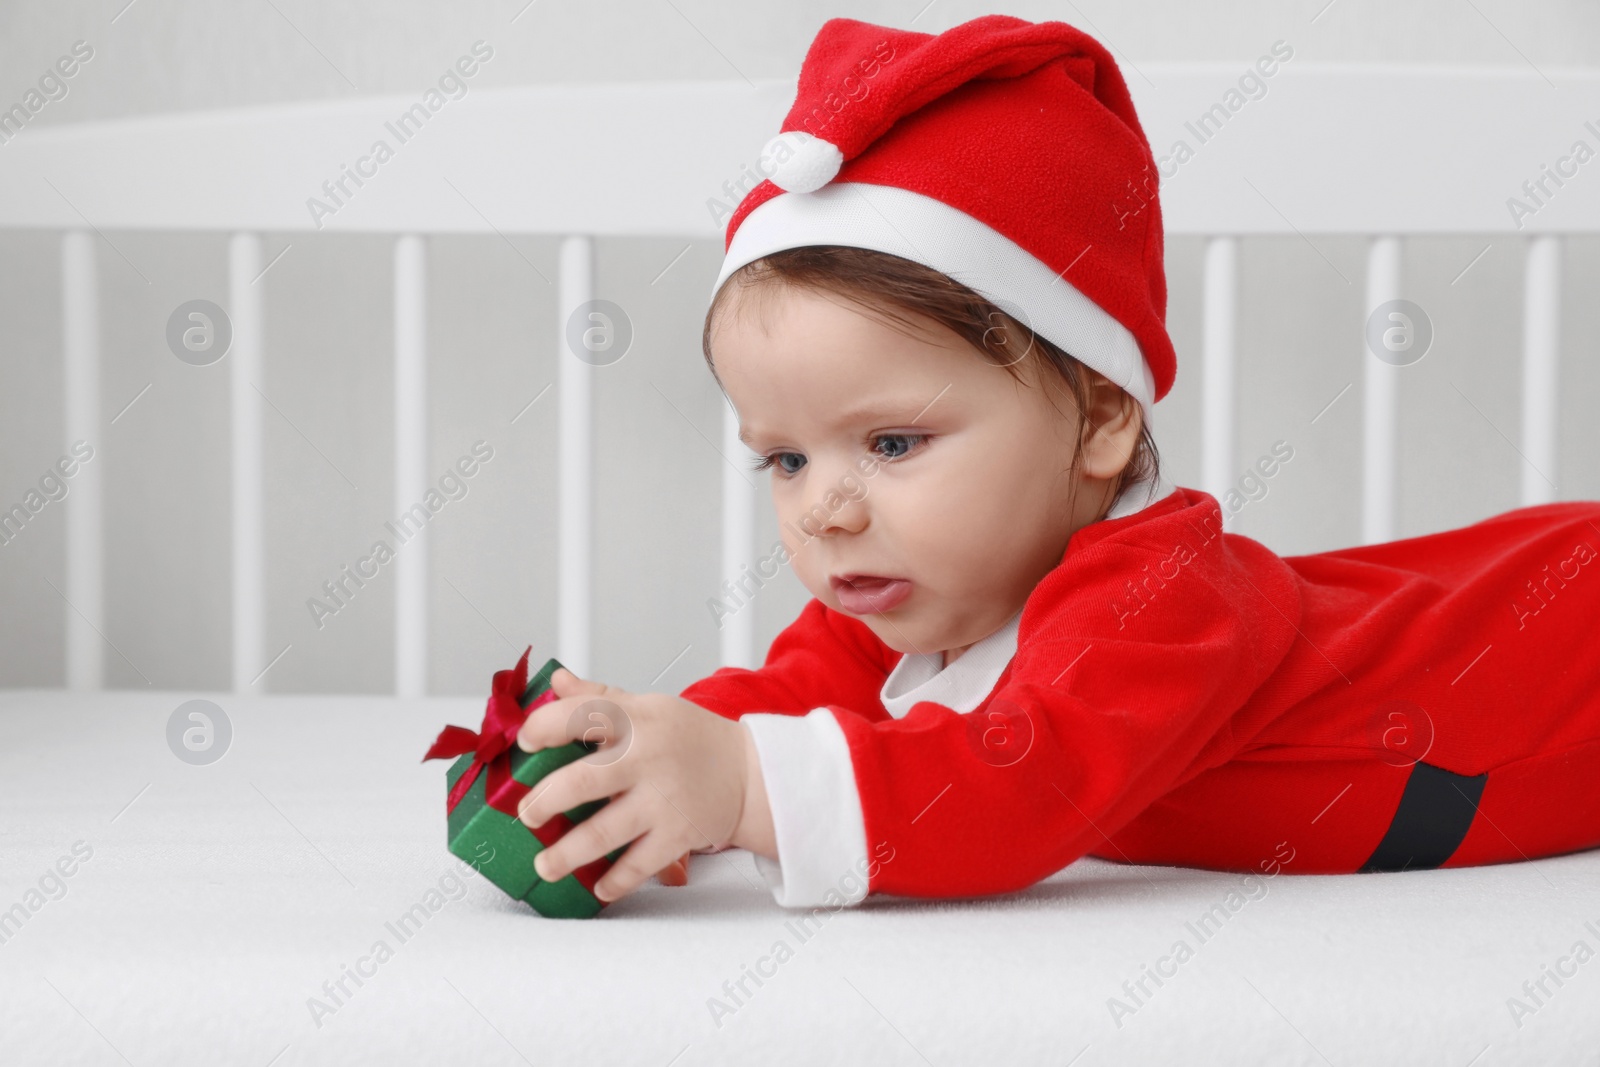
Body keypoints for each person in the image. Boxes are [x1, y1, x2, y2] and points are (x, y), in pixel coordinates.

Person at [512, 14, 1600, 909]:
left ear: (1101, 423)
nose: (828, 510)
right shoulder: (920, 588)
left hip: (1554, 660)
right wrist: (632, 766)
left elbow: (1013, 785)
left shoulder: (1162, 596)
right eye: (786, 459)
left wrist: (741, 784)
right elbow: (784, 700)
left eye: (893, 442)